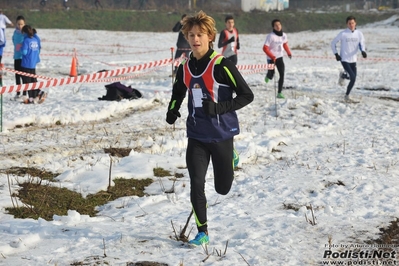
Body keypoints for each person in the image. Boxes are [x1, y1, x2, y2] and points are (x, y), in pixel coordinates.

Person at [165, 11, 254, 246]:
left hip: (221, 135)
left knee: (223, 189)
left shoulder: (221, 65)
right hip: (196, 135)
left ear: (210, 37)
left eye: (200, 35)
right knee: (196, 182)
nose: (195, 39)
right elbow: (178, 91)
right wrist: (173, 110)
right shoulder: (184, 67)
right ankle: (202, 231)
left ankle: (231, 155)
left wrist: (219, 108)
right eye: (191, 34)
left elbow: (247, 95)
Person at [331, 15, 367, 102]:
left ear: (355, 23)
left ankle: (343, 75)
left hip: (353, 59)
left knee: (353, 79)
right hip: (344, 58)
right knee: (353, 77)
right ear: (347, 24)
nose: (351, 25)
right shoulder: (343, 34)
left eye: (353, 23)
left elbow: (361, 44)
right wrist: (336, 54)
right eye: (349, 23)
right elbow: (333, 43)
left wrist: (363, 51)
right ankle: (347, 96)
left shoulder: (359, 33)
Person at [262, 19, 292, 99]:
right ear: (273, 27)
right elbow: (265, 48)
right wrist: (272, 56)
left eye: (279, 24)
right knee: (272, 75)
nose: (278, 26)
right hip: (271, 58)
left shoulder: (284, 35)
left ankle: (279, 92)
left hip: (279, 57)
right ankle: (268, 76)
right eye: (276, 25)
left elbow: (285, 44)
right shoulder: (270, 36)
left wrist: (288, 52)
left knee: (282, 74)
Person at [21, 25, 45, 104]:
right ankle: (35, 96)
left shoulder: (26, 41)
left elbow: (24, 52)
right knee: (33, 81)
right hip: (33, 64)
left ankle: (33, 96)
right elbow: (38, 51)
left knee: (27, 82)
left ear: (24, 33)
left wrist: (21, 48)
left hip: (26, 64)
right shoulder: (35, 40)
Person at [12, 15, 26, 99]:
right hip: (16, 57)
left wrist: (21, 47)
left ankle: (24, 93)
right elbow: (14, 40)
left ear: (24, 24)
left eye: (21, 24)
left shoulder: (25, 34)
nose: (20, 26)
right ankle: (18, 93)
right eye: (18, 24)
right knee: (17, 76)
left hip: (23, 58)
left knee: (23, 76)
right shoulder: (15, 32)